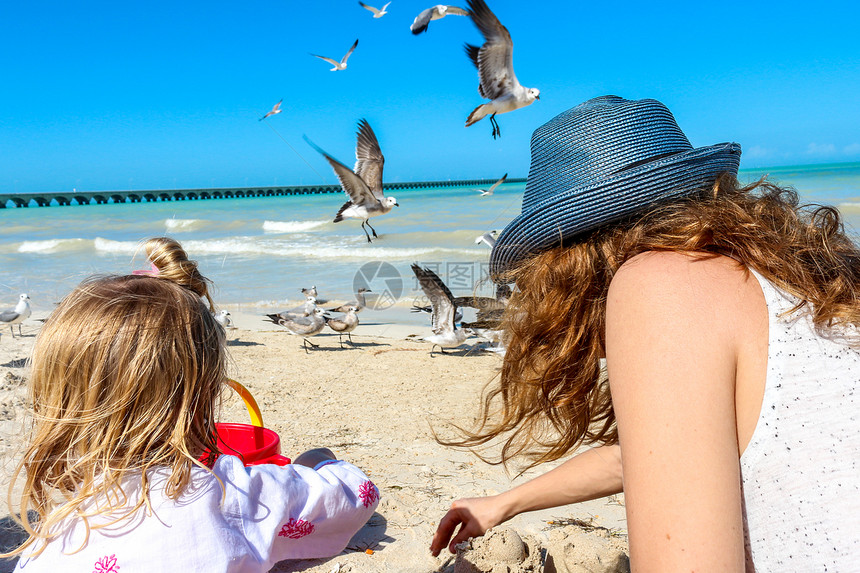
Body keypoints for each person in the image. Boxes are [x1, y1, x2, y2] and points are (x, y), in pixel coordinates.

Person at [431, 96, 860, 571]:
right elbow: (656, 455)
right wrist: (502, 504)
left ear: (568, 260)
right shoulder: (805, 280)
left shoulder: (663, 283)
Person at [4, 237, 379, 572]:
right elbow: (358, 493)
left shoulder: (61, 523)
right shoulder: (228, 494)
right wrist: (319, 462)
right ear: (201, 397)